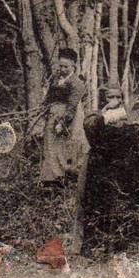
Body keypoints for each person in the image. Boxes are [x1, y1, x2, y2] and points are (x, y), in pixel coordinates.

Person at [80, 82, 139, 256]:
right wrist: (105, 116)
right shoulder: (96, 119)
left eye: (118, 97)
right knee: (99, 205)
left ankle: (124, 242)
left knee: (124, 204)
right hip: (102, 171)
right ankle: (98, 244)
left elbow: (138, 147)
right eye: (110, 97)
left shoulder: (128, 121)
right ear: (104, 99)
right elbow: (90, 129)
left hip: (124, 171)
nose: (115, 100)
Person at [40, 48, 88, 186]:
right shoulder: (56, 79)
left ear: (73, 65)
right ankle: (51, 178)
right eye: (60, 66)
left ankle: (67, 177)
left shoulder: (77, 83)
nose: (62, 69)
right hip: (53, 115)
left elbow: (72, 106)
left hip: (71, 117)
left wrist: (62, 122)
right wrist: (45, 107)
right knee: (50, 144)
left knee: (68, 145)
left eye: (66, 66)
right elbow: (49, 96)